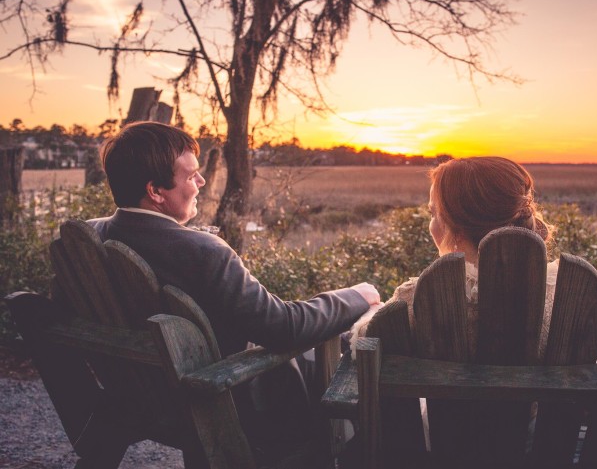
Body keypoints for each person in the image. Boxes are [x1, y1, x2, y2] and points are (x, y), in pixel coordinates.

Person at [88, 121, 381, 459]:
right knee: (344, 359)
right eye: (191, 176)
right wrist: (357, 296)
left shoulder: (92, 238)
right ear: (155, 191)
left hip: (144, 395)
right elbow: (282, 325)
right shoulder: (204, 251)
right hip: (227, 398)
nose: (200, 183)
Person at [352, 156, 557, 356]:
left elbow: (366, 341)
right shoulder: (558, 293)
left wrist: (371, 312)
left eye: (433, 214)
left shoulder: (419, 297)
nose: (431, 223)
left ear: (455, 228)